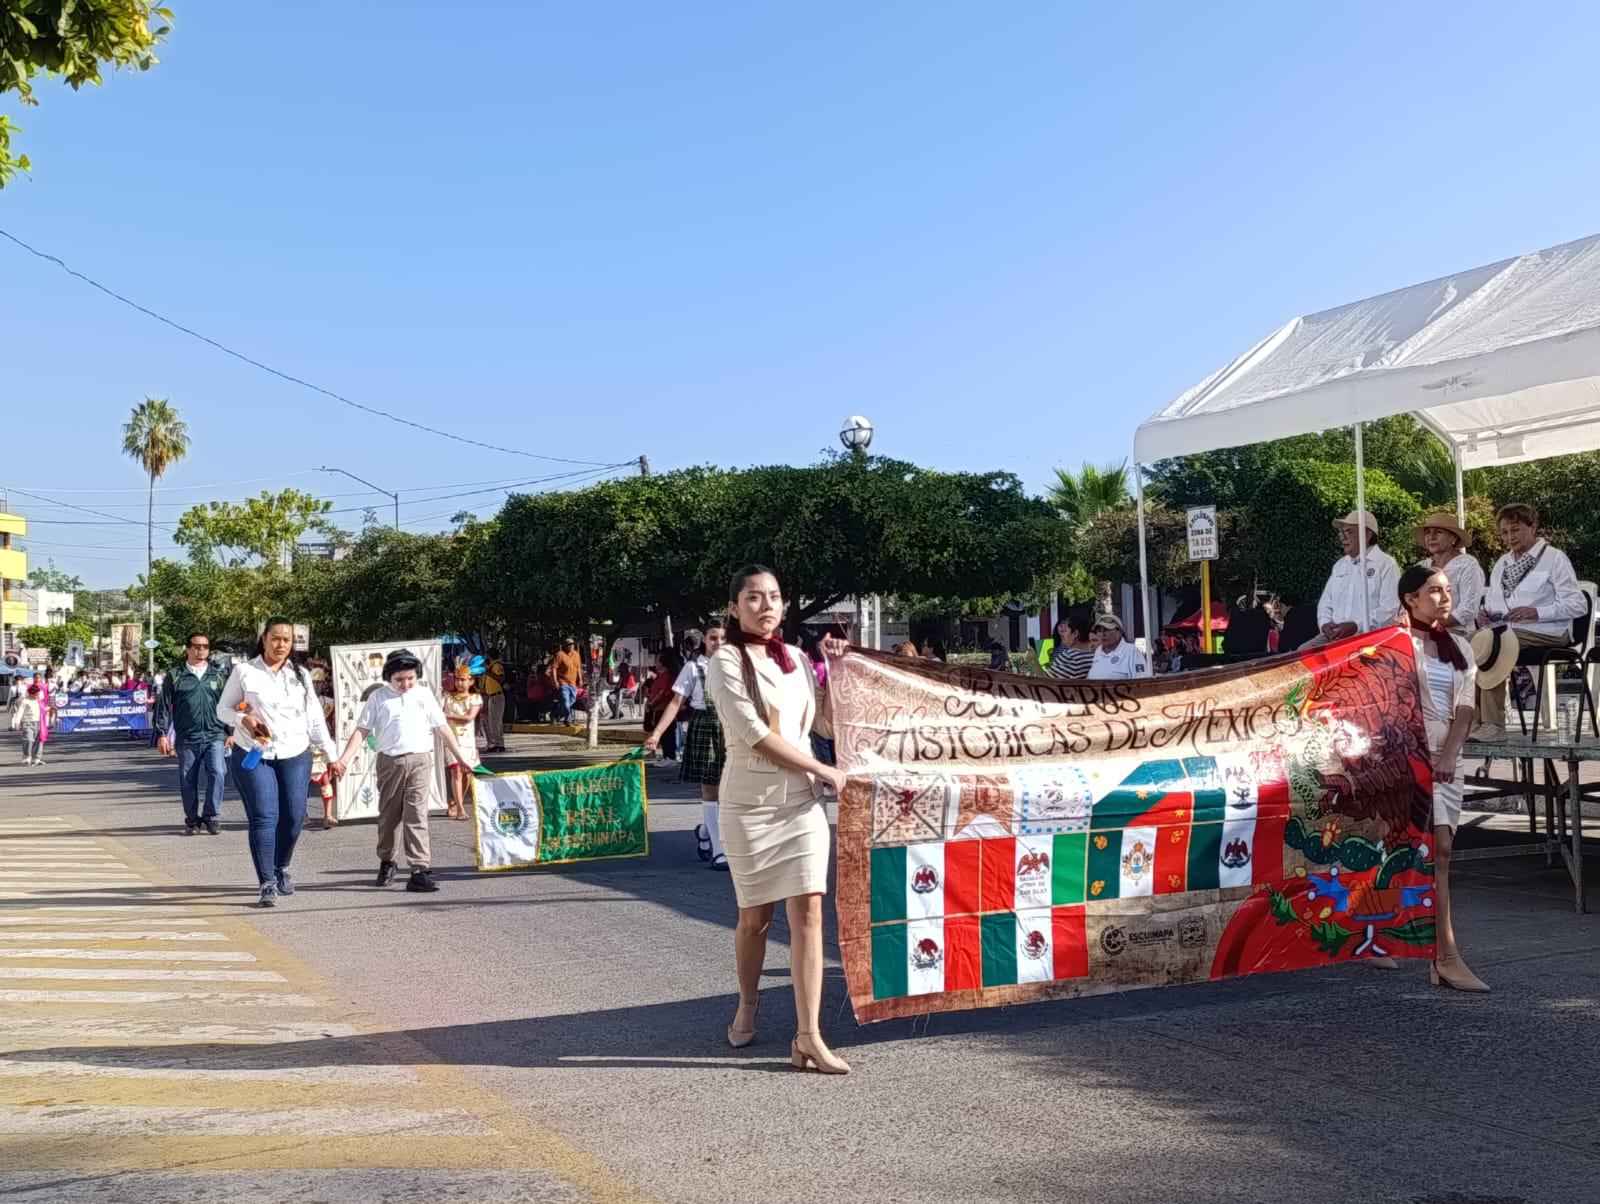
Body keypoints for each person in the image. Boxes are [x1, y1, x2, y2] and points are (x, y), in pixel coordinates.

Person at [705, 565, 850, 1074]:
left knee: (810, 913)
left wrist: (837, 674)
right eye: (753, 597)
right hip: (750, 804)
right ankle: (748, 1002)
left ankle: (808, 1035)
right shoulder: (724, 660)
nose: (766, 606)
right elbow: (753, 735)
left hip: (802, 803)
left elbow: (823, 724)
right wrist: (823, 769)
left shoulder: (799, 662)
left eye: (774, 597)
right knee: (755, 920)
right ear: (735, 606)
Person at [1397, 564, 1487, 992]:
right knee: (1419, 849)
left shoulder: (1459, 647)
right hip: (1406, 758)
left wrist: (1450, 751)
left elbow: (1466, 705)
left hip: (1447, 756)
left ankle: (1442, 956)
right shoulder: (1394, 645)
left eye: (1447, 589)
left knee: (1444, 848)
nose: (1444, 597)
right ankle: (1435, 951)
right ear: (1411, 599)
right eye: (1433, 590)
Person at [216, 618, 337, 908]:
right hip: (255, 753)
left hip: (295, 753)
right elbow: (222, 709)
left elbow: (315, 720)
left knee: (294, 819)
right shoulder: (245, 671)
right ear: (264, 639)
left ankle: (281, 867)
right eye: (275, 638)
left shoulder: (301, 675)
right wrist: (242, 718)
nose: (281, 644)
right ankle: (266, 882)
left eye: (287, 639)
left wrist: (332, 755)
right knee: (264, 817)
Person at [330, 649, 471, 894]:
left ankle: (419, 869)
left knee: (417, 815)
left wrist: (461, 757)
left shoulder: (425, 696)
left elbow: (442, 728)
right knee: (389, 816)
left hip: (420, 761)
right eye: (399, 680)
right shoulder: (378, 698)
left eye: (410, 678)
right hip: (390, 763)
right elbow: (362, 729)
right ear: (389, 677)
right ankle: (387, 861)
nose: (405, 684)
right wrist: (343, 759)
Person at [1473, 502, 1588, 740]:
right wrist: (1486, 612)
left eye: (1515, 530)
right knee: (1466, 645)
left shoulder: (1554, 559)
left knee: (1496, 643)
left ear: (1532, 527)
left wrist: (1537, 612)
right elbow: (1494, 602)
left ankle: (1493, 725)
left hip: (1549, 630)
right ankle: (1474, 721)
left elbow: (1579, 604)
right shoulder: (1502, 564)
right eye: (1504, 532)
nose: (1509, 537)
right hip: (1508, 630)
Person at [644, 624, 731, 869]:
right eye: (713, 638)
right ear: (705, 639)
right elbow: (675, 703)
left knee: (730, 792)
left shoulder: (735, 667)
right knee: (711, 790)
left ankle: (705, 830)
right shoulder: (693, 668)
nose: (719, 642)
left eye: (723, 638)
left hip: (731, 729)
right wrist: (657, 733)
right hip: (705, 726)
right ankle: (718, 849)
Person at [153, 632, 231, 836]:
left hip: (214, 734)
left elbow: (227, 705)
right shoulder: (175, 675)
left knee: (218, 773)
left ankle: (211, 816)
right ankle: (192, 820)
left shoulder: (217, 676)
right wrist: (162, 733)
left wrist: (230, 731)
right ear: (187, 649)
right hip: (187, 737)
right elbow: (163, 706)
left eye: (205, 646)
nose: (201, 650)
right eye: (196, 646)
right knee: (188, 779)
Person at [1302, 510, 1401, 648]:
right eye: (1342, 533)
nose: (1343, 538)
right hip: (1333, 637)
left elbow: (1389, 609)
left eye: (1349, 532)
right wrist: (1325, 624)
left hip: (1369, 638)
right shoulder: (1340, 565)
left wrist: (1356, 626)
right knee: (1302, 655)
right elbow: (1325, 603)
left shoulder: (1386, 563)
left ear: (1367, 534)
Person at [1414, 511, 1484, 634]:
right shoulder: (1421, 566)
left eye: (1438, 532)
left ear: (1453, 538)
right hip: (1423, 634)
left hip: (1459, 635)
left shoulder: (1467, 564)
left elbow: (1468, 610)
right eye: (1427, 532)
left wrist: (1431, 625)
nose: (1431, 537)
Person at [440, 662, 483, 821]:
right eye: (457, 679)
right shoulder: (446, 697)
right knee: (456, 772)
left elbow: (469, 718)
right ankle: (460, 808)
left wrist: (446, 716)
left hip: (468, 742)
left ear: (471, 681)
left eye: (463, 679)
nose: (459, 683)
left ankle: (456, 802)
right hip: (451, 741)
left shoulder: (475, 698)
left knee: (467, 774)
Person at [644, 648, 684, 764]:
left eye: (657, 660)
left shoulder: (667, 675)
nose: (655, 663)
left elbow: (663, 692)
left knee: (668, 734)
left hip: (664, 708)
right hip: (658, 708)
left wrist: (652, 703)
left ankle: (670, 757)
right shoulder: (660, 674)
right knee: (665, 735)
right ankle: (667, 755)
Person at [1088, 614, 1148, 679]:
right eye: (1099, 630)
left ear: (1120, 632)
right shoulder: (1098, 651)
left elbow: (1141, 680)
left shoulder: (1131, 651)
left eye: (1107, 630)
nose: (1102, 634)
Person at [1046, 613, 1096, 679]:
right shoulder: (1095, 656)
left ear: (1075, 633)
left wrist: (1033, 661)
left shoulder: (1069, 656)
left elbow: (1045, 682)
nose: (1064, 636)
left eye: (1065, 631)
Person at [477, 648, 507, 753]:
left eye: (487, 656)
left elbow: (501, 678)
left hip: (496, 696)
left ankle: (498, 744)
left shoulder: (496, 665)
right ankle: (497, 743)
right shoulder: (491, 666)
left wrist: (488, 672)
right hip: (491, 696)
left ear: (490, 656)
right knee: (494, 721)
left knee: (494, 721)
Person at [549, 638, 583, 723]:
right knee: (565, 701)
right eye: (569, 644)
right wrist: (555, 681)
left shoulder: (576, 654)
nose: (571, 646)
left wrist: (580, 679)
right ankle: (568, 719)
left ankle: (555, 714)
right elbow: (554, 668)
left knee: (572, 700)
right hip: (563, 682)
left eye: (572, 644)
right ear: (565, 645)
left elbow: (578, 668)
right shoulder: (559, 655)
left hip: (573, 683)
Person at [9, 682, 43, 765]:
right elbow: (20, 712)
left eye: (38, 694)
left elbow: (43, 711)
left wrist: (49, 709)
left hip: (38, 723)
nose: (37, 696)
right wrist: (17, 723)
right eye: (36, 694)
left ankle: (37, 759)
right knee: (28, 739)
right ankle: (27, 757)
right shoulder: (25, 701)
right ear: (31, 694)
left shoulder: (39, 701)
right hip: (28, 723)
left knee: (39, 741)